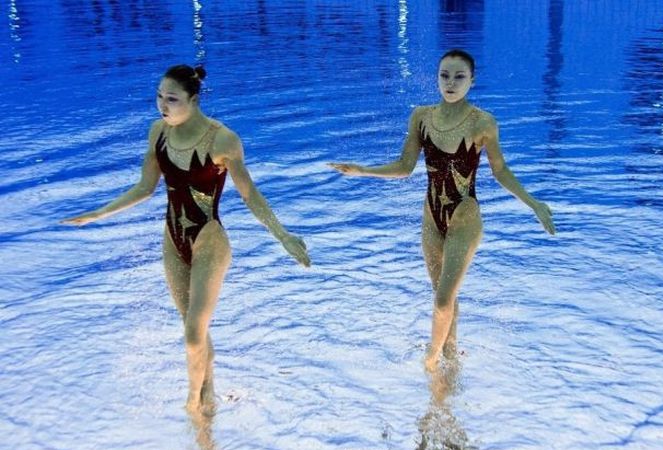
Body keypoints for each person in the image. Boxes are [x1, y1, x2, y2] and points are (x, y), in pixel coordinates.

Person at [63, 64, 310, 414]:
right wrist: (98, 214)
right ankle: (208, 393)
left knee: (194, 333)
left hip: (209, 240)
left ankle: (193, 406)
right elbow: (145, 187)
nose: (162, 105)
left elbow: (249, 193)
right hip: (172, 239)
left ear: (193, 99)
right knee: (193, 329)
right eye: (159, 97)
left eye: (172, 99)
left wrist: (283, 236)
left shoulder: (222, 139)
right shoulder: (157, 133)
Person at [329, 49, 555, 372]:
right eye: (444, 76)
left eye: (459, 77)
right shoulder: (421, 117)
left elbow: (501, 171)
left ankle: (430, 365)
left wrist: (534, 204)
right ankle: (451, 354)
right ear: (437, 78)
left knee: (442, 300)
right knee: (444, 295)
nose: (450, 83)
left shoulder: (483, 123)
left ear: (472, 81)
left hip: (464, 215)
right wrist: (362, 170)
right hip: (431, 217)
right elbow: (405, 167)